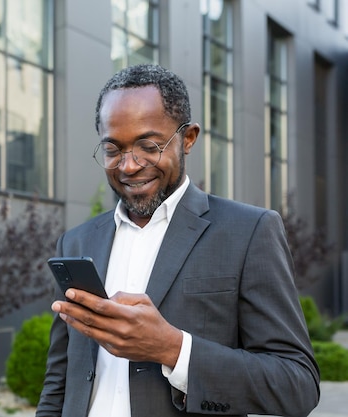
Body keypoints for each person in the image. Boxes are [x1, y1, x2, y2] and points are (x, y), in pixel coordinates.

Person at [36, 64, 320, 417]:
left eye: (149, 145)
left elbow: (297, 384)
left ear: (188, 139)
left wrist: (172, 348)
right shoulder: (76, 243)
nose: (128, 166)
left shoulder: (249, 232)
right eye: (113, 149)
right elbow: (59, 382)